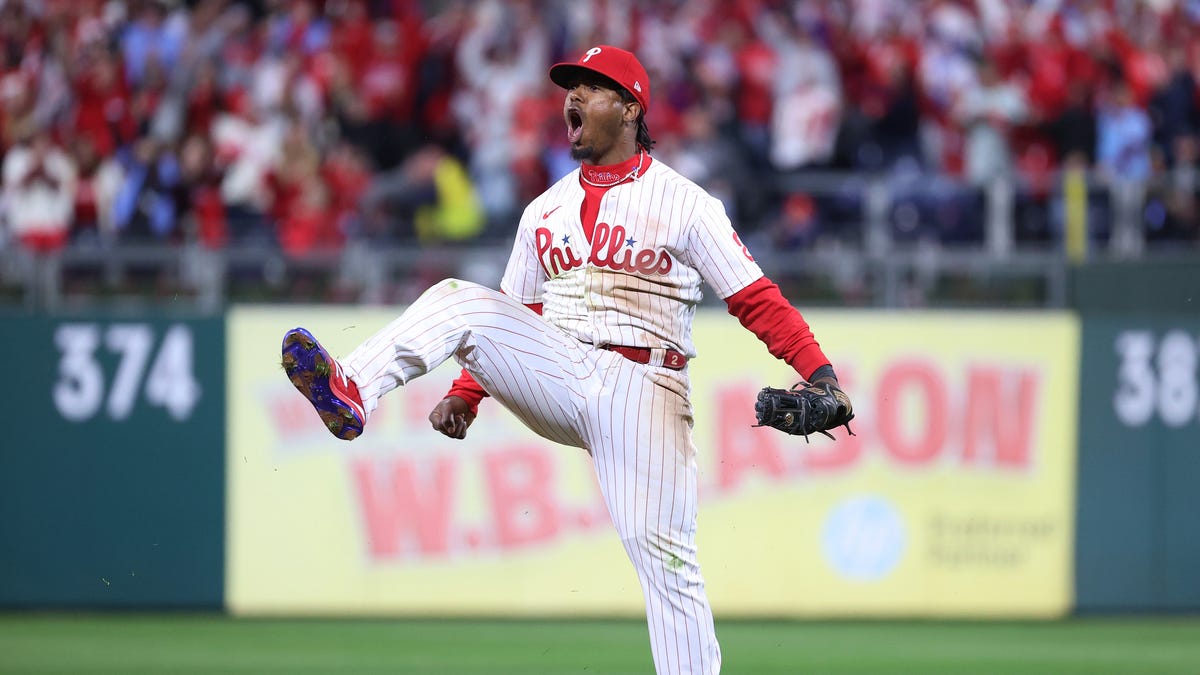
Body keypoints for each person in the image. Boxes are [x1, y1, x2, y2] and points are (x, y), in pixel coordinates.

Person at [281, 45, 852, 675]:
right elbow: (512, 314)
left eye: (593, 86)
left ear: (632, 108)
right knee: (457, 298)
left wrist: (820, 375)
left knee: (670, 569)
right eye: (570, 86)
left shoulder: (686, 202)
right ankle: (352, 387)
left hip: (647, 390)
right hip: (561, 368)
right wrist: (469, 393)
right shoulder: (542, 211)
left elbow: (755, 299)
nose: (573, 97)